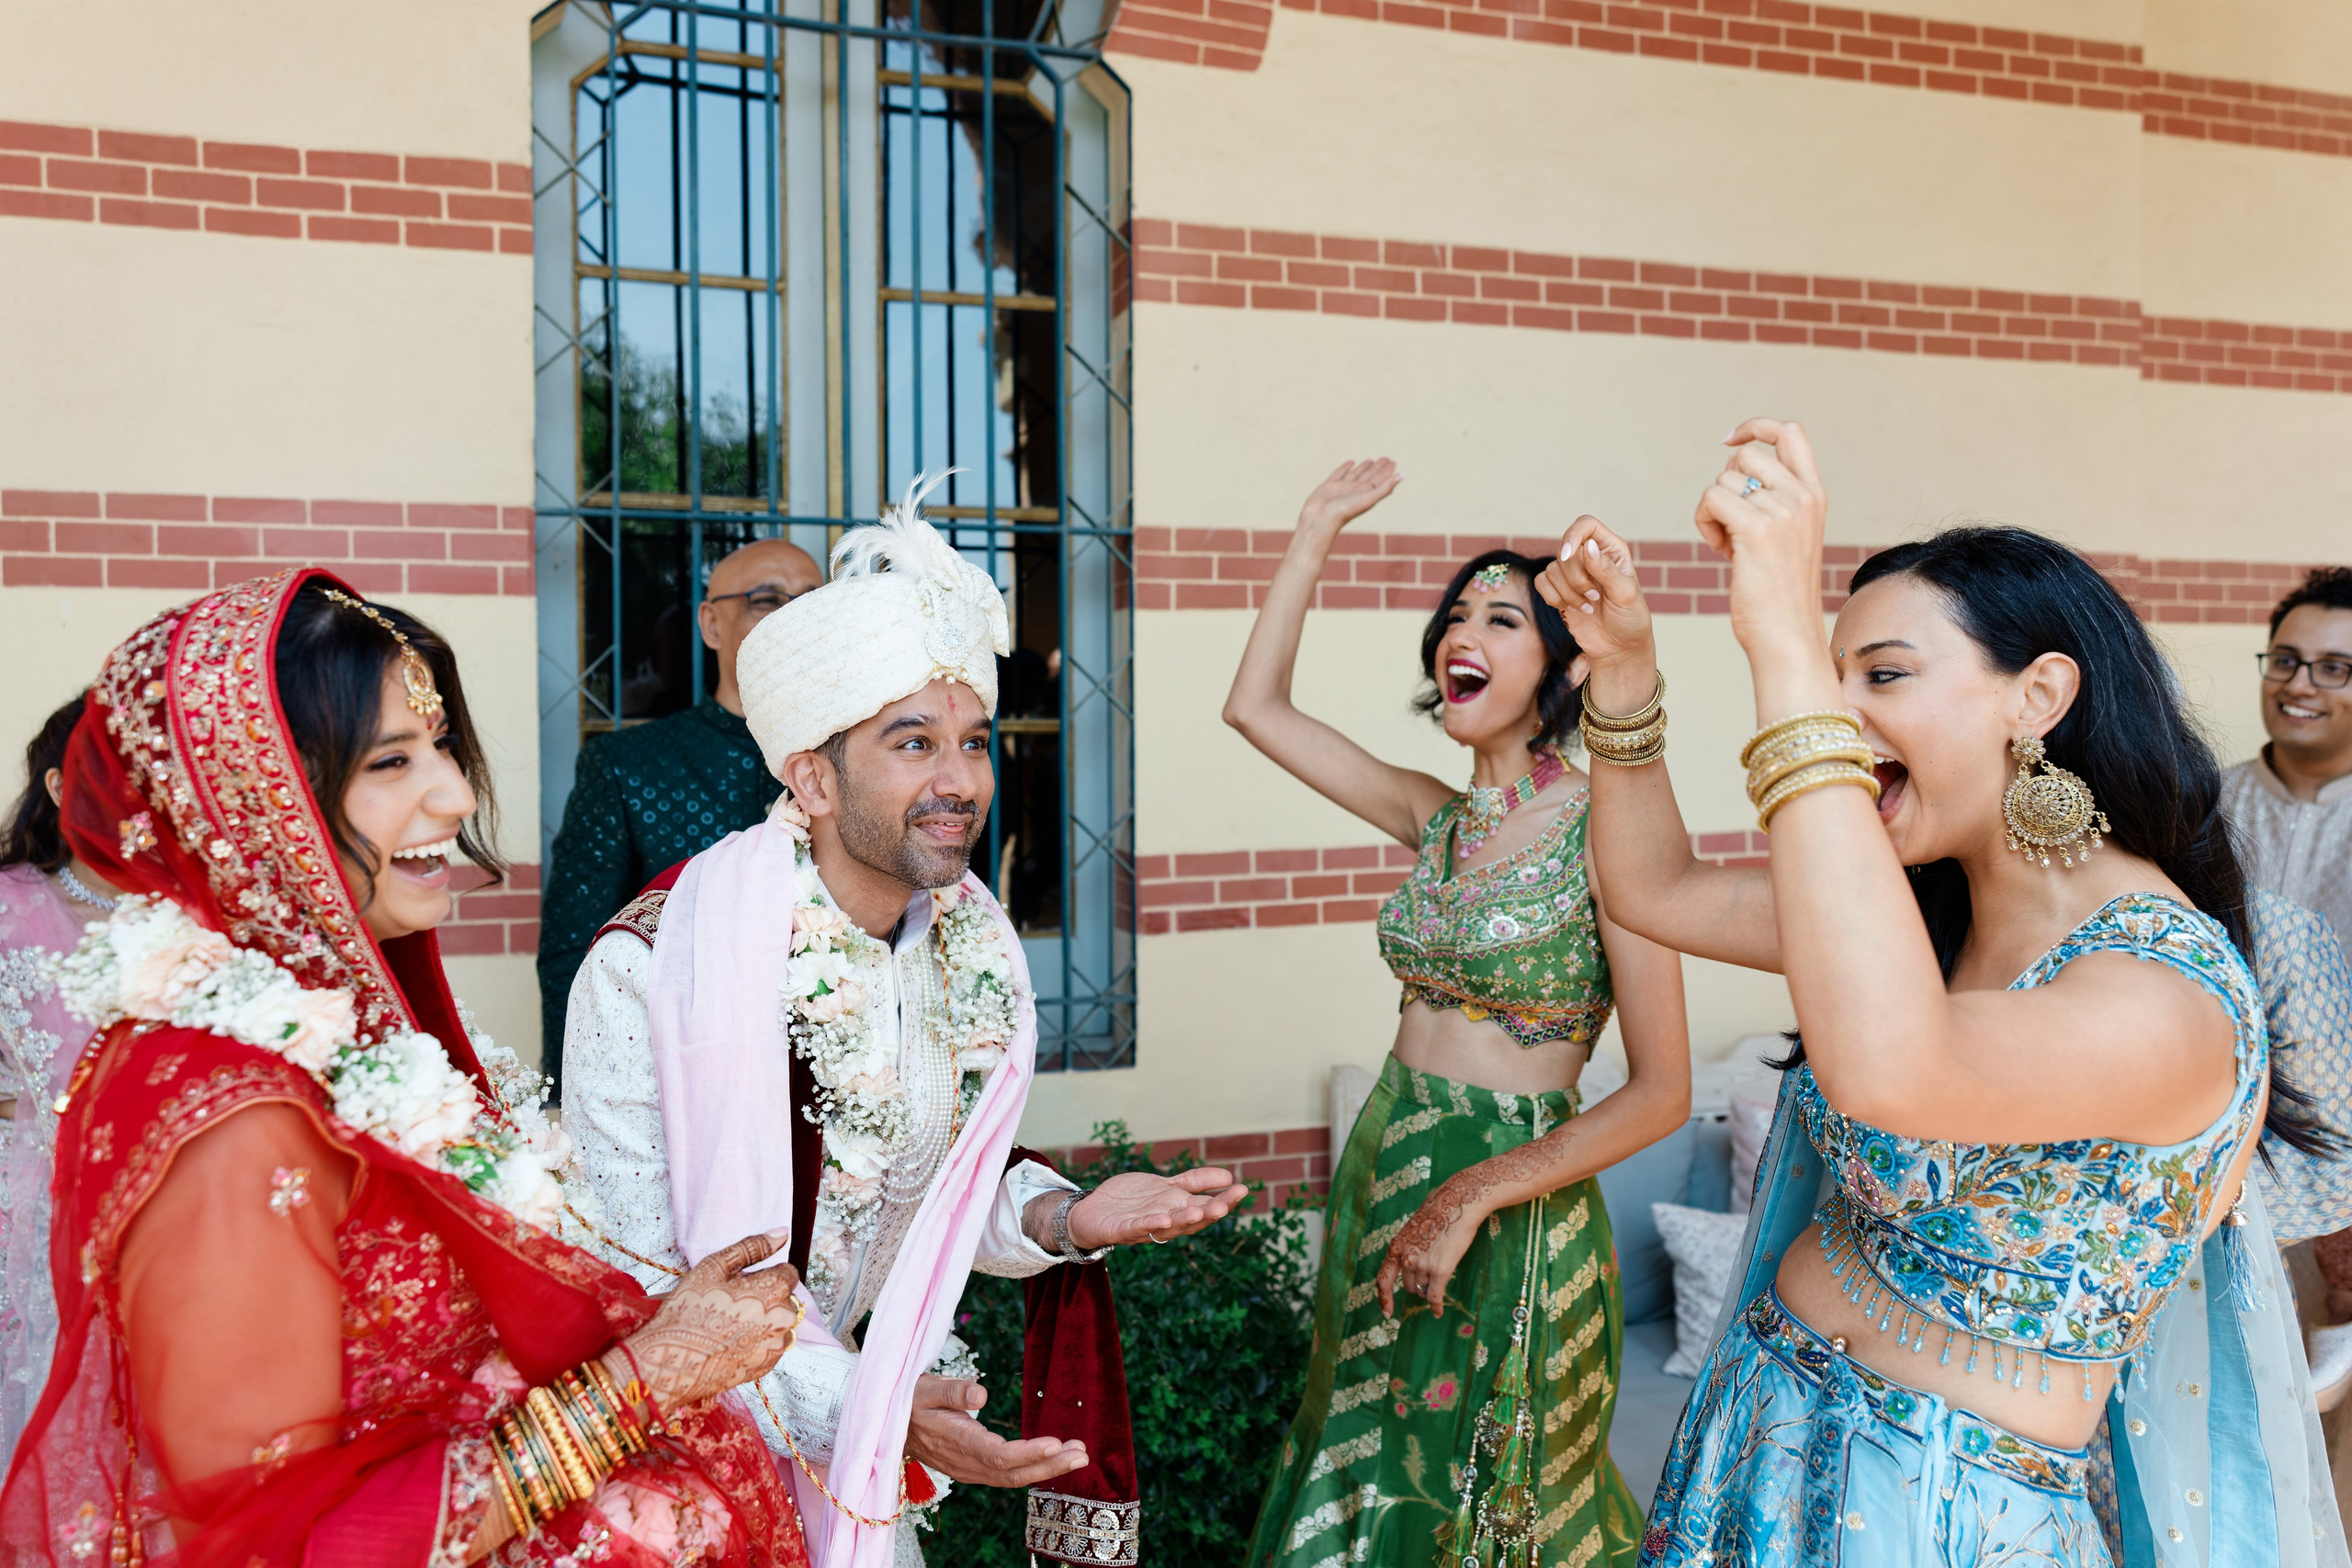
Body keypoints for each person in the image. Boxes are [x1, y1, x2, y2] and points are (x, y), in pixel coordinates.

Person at [1536, 420, 2345, 1567]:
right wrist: (1621, 672)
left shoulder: (2164, 993)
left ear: (2038, 697)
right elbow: (1654, 888)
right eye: (1831, 679)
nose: (1842, 712)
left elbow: (1895, 1070)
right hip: (1752, 1439)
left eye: (1884, 676)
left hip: (1936, 1521)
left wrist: (1777, 637)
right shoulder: (1924, 919)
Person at [0, 570, 815, 1568]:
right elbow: (287, 1547)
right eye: (391, 760)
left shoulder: (334, 1028)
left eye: (442, 748)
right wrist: (649, 1375)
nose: (455, 796)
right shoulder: (235, 1117)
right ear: (257, 794)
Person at [562, 478, 1248, 1568]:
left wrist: (1066, 1219)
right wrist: (870, 1408)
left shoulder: (963, 948)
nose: (961, 781)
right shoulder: (646, 970)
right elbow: (638, 1278)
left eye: (973, 742)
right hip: (675, 1481)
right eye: (913, 743)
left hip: (856, 1464)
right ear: (812, 778)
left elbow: (928, 1185)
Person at [1227, 461, 1692, 1568]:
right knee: (1365, 1463)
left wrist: (1471, 1196)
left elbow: (1665, 1090)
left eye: (1498, 616)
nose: (1458, 633)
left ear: (1565, 665)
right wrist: (1312, 529)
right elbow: (1254, 709)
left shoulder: (1607, 828)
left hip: (1515, 1194)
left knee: (1499, 1491)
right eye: (1452, 616)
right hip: (1386, 1165)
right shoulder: (1434, 818)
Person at [539, 536, 824, 1094]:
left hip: (840, 1079)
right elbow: (574, 949)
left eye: (812, 601)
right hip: (679, 1080)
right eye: (768, 600)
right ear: (711, 624)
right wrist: (577, 1099)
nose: (793, 618)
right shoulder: (627, 767)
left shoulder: (862, 762)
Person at [0, 695, 122, 1461]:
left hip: (159, 1197)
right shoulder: (10, 904)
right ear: (57, 786)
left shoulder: (196, 909)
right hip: (28, 1206)